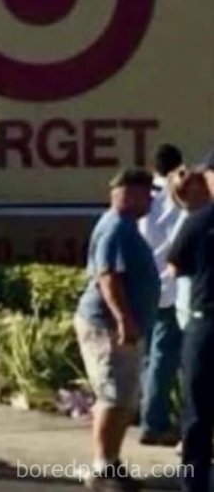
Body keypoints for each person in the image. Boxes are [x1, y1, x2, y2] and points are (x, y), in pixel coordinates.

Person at [74, 167, 161, 490]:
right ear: (130, 193)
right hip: (106, 326)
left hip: (122, 326)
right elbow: (108, 278)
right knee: (112, 395)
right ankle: (101, 468)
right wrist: (124, 319)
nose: (151, 200)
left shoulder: (125, 227)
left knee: (123, 396)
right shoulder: (115, 229)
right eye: (147, 193)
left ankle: (112, 461)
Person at [167, 153, 214, 492]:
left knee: (198, 412)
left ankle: (194, 484)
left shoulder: (199, 220)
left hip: (206, 325)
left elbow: (175, 265)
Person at [138, 144, 185, 445]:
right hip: (168, 287)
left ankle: (143, 411)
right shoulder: (177, 198)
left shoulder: (143, 196)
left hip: (141, 287)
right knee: (163, 358)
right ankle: (154, 422)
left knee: (145, 357)